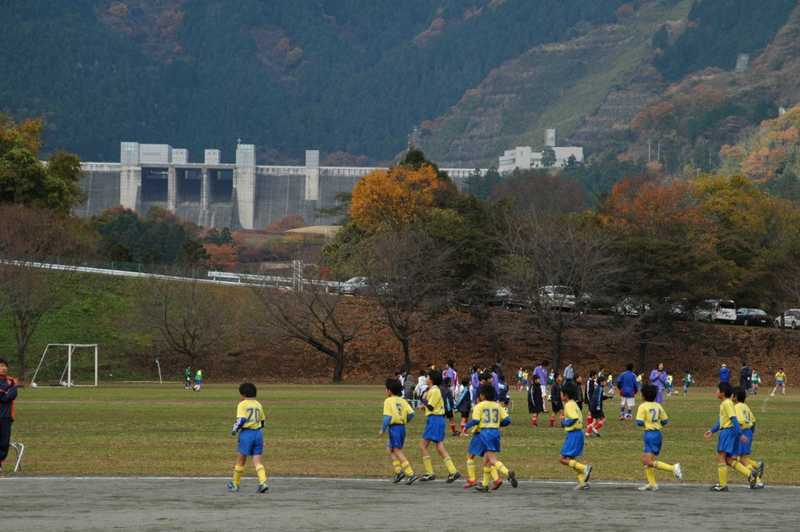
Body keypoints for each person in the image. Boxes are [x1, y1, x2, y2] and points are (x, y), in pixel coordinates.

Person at [704, 382, 756, 492]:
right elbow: (722, 420)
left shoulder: (726, 403)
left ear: (722, 393)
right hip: (728, 432)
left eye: (717, 390)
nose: (716, 392)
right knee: (728, 459)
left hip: (727, 432)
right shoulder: (727, 403)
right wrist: (712, 430)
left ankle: (722, 485)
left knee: (721, 457)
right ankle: (750, 474)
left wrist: (740, 434)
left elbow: (733, 419)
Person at [465, 384, 517, 492]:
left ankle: (508, 473)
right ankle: (484, 485)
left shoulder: (479, 406)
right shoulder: (497, 405)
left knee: (492, 459)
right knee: (487, 460)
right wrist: (498, 424)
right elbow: (508, 420)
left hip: (485, 432)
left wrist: (466, 426)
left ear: (482, 395)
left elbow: (476, 421)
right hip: (495, 432)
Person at [635, 384, 682, 491]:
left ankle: (673, 468)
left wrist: (647, 424)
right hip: (658, 434)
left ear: (643, 395)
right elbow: (665, 421)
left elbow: (639, 422)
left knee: (646, 460)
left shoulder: (642, 406)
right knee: (647, 459)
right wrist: (656, 423)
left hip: (649, 435)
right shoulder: (658, 405)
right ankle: (652, 484)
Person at [419, 371, 461, 482]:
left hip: (435, 419)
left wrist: (422, 399)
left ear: (432, 379)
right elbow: (429, 407)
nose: (426, 378)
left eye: (427, 377)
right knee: (438, 446)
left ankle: (430, 473)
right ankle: (452, 471)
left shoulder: (435, 390)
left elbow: (431, 407)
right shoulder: (432, 390)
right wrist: (423, 405)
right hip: (435, 419)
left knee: (423, 445)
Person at [227, 382, 269, 493]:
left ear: (243, 394)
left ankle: (235, 484)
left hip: (247, 434)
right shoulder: (258, 404)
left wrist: (234, 429)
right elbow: (263, 421)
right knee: (257, 460)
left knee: (241, 459)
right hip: (258, 433)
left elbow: (241, 420)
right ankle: (263, 482)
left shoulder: (242, 404)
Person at [380, 378, 418, 485]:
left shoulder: (388, 401)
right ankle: (398, 472)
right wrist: (405, 420)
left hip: (394, 428)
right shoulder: (403, 400)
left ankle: (410, 474)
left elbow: (387, 417)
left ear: (389, 391)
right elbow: (411, 414)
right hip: (401, 427)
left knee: (397, 450)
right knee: (390, 449)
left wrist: (382, 429)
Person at [558, 382, 592, 490]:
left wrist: (564, 423)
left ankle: (584, 468)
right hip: (578, 433)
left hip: (574, 434)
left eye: (562, 393)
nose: (561, 395)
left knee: (563, 459)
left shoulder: (568, 405)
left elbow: (574, 418)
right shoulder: (574, 403)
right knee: (571, 459)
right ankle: (583, 482)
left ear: (566, 395)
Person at [733, 387, 764, 489]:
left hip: (742, 433)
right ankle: (757, 465)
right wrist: (751, 434)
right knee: (744, 458)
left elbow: (740, 422)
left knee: (742, 460)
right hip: (749, 432)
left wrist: (738, 434)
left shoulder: (737, 407)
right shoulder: (746, 406)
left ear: (735, 397)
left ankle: (757, 480)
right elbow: (753, 421)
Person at [0, 359, 18, 471]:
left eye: (5, 366)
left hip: (6, 417)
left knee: (4, 442)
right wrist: (5, 393)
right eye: (1, 366)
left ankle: (0, 463)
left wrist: (5, 393)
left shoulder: (11, 381)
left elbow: (11, 395)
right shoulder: (11, 384)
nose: (3, 368)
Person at [585, 371, 609, 437]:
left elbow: (598, 397)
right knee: (603, 419)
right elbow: (598, 398)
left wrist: (606, 397)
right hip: (596, 407)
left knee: (594, 421)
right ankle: (594, 429)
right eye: (605, 381)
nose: (606, 382)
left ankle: (587, 433)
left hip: (593, 406)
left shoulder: (597, 387)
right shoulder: (600, 388)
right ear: (601, 382)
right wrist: (598, 407)